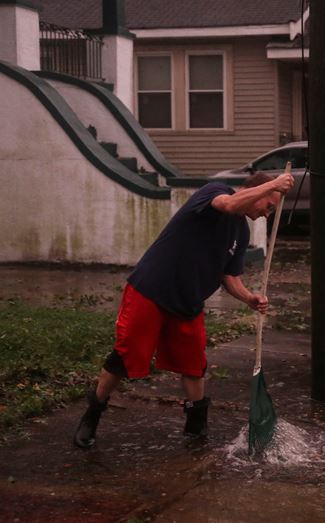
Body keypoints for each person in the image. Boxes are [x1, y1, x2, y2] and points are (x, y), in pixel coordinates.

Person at [73, 171, 294, 449]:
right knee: (126, 354)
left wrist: (248, 297)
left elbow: (229, 275)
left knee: (193, 364)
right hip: (151, 290)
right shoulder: (214, 191)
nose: (267, 214)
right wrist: (275, 184)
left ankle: (196, 426)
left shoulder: (241, 231)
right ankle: (93, 412)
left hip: (188, 302)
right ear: (257, 190)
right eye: (269, 206)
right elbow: (228, 205)